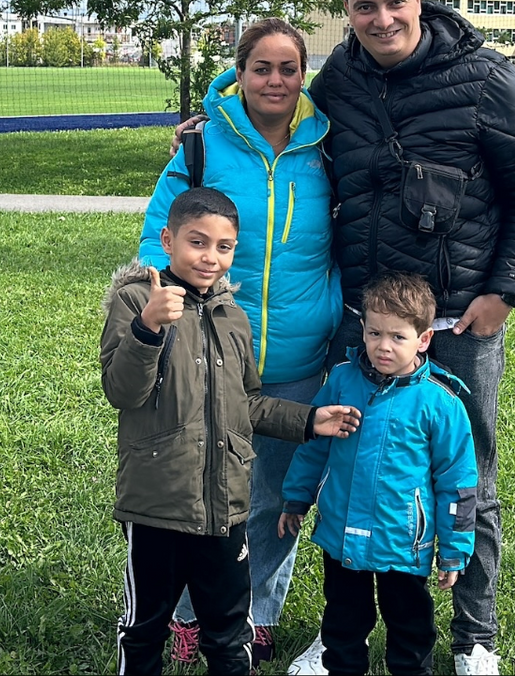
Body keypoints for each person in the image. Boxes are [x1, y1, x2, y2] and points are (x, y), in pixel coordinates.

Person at [294, 0, 515, 676]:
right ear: (346, 12)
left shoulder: (485, 78)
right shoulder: (338, 79)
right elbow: (277, 122)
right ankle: (340, 630)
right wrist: (203, 135)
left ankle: (475, 634)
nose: (382, 19)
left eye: (394, 1)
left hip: (458, 321)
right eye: (364, 6)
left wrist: (505, 292)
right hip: (366, 322)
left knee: (467, 472)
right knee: (348, 463)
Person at [138, 19, 342, 668]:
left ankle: (255, 612)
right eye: (262, 67)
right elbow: (158, 232)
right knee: (203, 497)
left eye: (288, 68)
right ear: (240, 71)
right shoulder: (203, 146)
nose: (275, 80)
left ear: (302, 75)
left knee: (278, 501)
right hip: (209, 354)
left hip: (299, 358)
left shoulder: (330, 146)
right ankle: (193, 613)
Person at [101, 187, 362, 676]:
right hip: (158, 501)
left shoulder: (233, 317)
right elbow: (122, 391)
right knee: (143, 628)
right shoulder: (136, 301)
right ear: (168, 238)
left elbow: (248, 404)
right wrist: (148, 328)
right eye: (197, 242)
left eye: (224, 247)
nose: (210, 257)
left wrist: (309, 420)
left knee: (229, 631)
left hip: (225, 503)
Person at [279, 271, 477, 676]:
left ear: (422, 339)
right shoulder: (341, 380)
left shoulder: (441, 402)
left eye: (397, 337)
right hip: (341, 535)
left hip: (402, 543)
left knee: (410, 630)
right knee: (343, 624)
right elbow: (314, 445)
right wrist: (296, 497)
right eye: (374, 333)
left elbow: (457, 484)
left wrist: (455, 549)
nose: (382, 347)